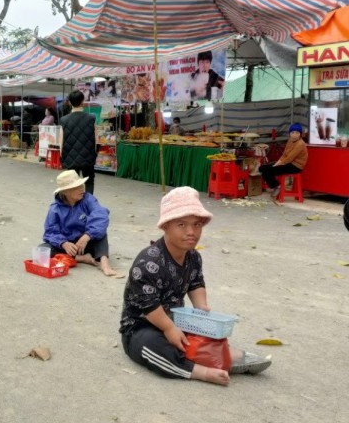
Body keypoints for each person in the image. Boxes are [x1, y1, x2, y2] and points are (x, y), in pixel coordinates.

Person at [119, 187, 272, 386]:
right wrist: (169, 328)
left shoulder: (193, 256)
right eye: (181, 224)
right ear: (165, 226)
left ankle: (224, 355)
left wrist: (202, 311)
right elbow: (149, 307)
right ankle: (199, 371)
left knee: (205, 332)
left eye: (197, 224)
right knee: (152, 346)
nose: (191, 232)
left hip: (177, 319)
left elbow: (196, 283)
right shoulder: (148, 262)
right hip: (142, 326)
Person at [42, 170, 122, 277]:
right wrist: (63, 243)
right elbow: (50, 232)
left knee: (100, 231)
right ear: (66, 191)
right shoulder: (55, 209)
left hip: (86, 243)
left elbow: (101, 214)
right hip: (70, 247)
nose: (82, 189)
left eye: (82, 185)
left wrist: (87, 235)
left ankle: (105, 264)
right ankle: (82, 258)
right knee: (43, 249)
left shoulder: (88, 199)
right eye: (77, 187)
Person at [60, 90, 97, 194]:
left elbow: (60, 142)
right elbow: (96, 140)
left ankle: (75, 205)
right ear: (82, 101)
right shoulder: (91, 118)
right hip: (87, 156)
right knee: (89, 181)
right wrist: (94, 154)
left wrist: (61, 157)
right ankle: (88, 204)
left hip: (70, 157)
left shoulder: (63, 120)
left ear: (70, 103)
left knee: (72, 184)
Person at [258, 123, 308, 199]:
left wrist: (279, 164)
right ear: (290, 134)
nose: (294, 135)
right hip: (288, 163)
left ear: (300, 134)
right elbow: (284, 154)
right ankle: (276, 185)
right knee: (262, 168)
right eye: (292, 133)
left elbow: (290, 158)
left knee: (267, 170)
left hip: (295, 166)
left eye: (297, 133)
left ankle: (277, 186)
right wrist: (278, 162)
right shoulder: (290, 140)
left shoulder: (300, 144)